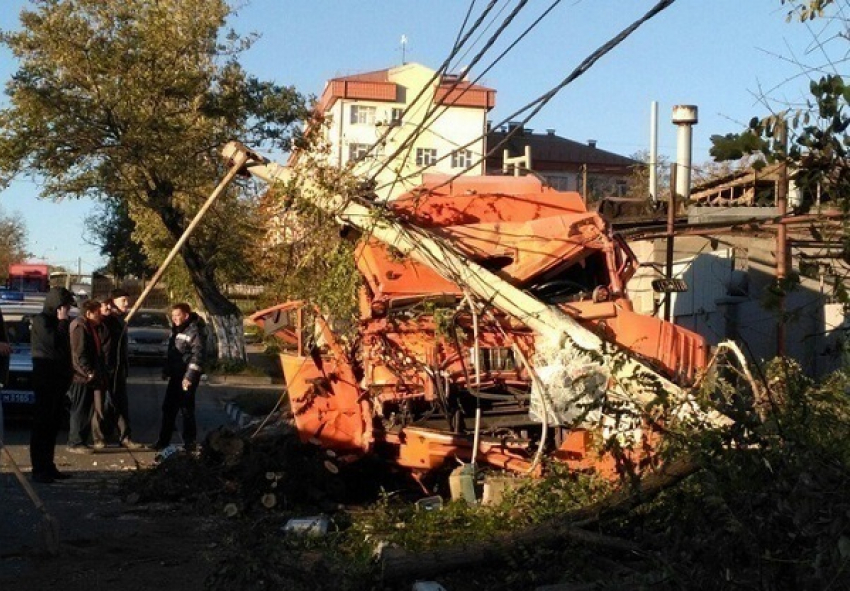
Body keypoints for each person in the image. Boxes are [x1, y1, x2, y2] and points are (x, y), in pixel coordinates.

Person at [29, 287, 76, 482]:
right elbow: (54, 342)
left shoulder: (59, 322)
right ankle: (39, 468)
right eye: (64, 307)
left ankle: (49, 465)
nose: (67, 311)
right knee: (42, 425)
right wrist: (63, 321)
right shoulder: (42, 321)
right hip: (46, 380)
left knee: (53, 426)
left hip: (58, 381)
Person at [96, 289, 144, 449]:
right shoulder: (104, 319)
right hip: (103, 368)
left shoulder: (120, 321)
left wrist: (124, 366)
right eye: (123, 300)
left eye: (127, 300)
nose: (127, 303)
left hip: (118, 368)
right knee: (100, 405)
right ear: (112, 301)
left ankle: (125, 437)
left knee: (121, 403)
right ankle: (100, 438)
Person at [154, 303, 205, 451]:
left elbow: (198, 356)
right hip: (176, 376)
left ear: (186, 316)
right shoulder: (176, 330)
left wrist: (189, 377)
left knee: (186, 409)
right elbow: (173, 353)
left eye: (178, 315)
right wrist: (166, 370)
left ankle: (189, 442)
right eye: (173, 315)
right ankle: (163, 442)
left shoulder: (195, 331)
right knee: (168, 408)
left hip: (186, 377)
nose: (175, 318)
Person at [67, 299, 107, 454]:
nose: (100, 316)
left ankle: (82, 440)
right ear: (88, 313)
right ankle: (75, 442)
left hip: (90, 376)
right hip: (80, 377)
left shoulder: (91, 327)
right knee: (80, 409)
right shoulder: (80, 326)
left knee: (87, 409)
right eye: (97, 313)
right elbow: (79, 353)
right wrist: (88, 371)